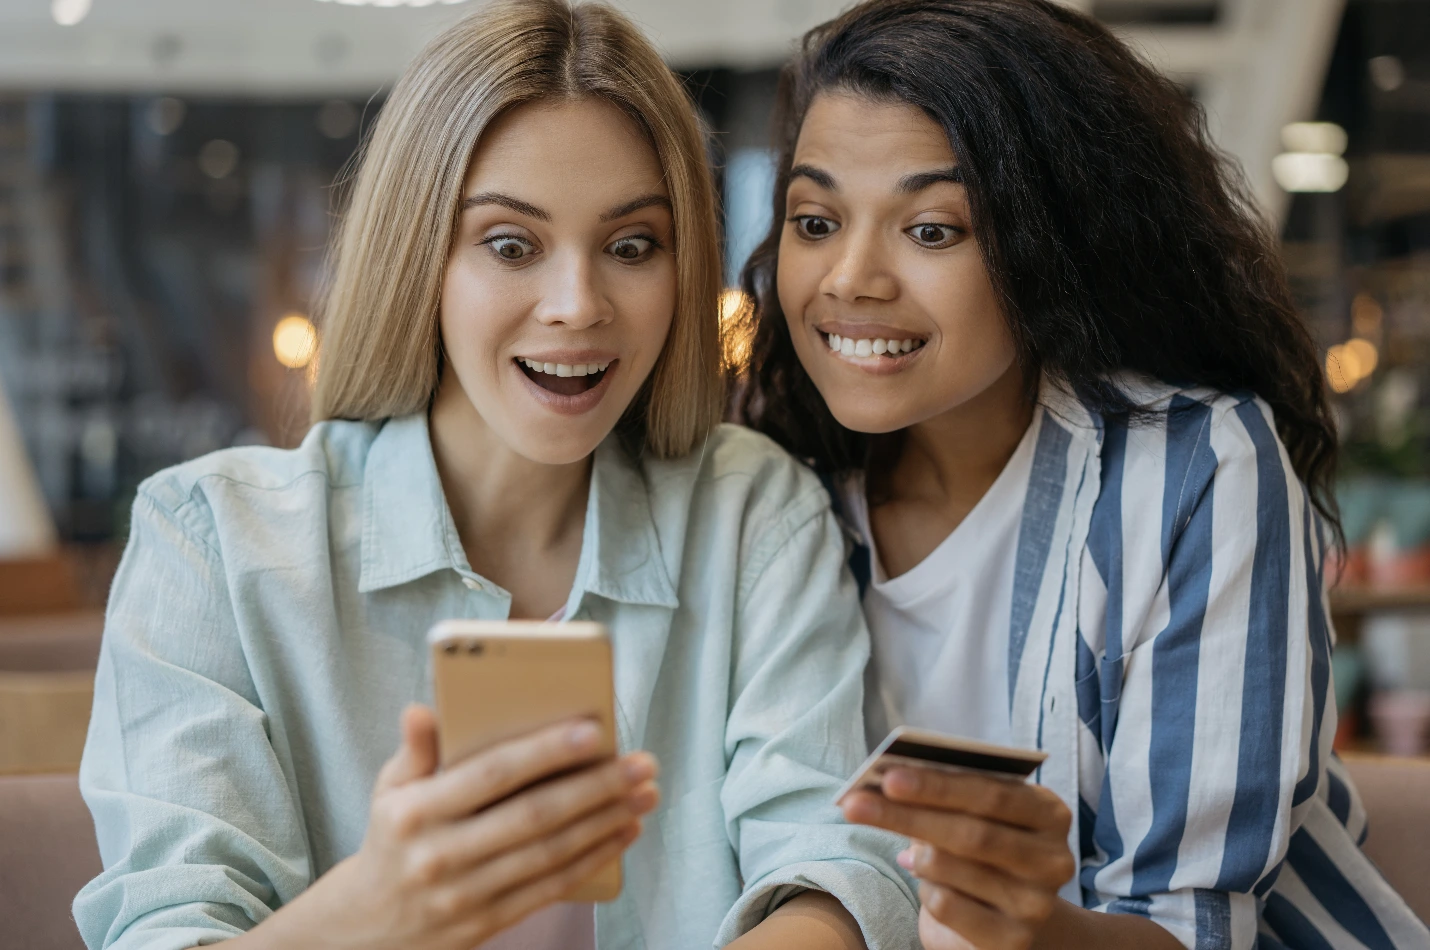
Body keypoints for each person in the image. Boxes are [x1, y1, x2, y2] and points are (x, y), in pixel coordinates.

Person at [72, 3, 921, 949]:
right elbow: (168, 929)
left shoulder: (751, 513)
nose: (577, 305)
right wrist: (376, 908)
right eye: (510, 246)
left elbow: (831, 872)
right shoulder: (213, 543)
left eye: (632, 245)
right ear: (419, 259)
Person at [736, 1, 1430, 948]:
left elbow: (1193, 930)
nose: (850, 277)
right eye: (815, 220)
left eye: (933, 230)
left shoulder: (1193, 470)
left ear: (1048, 243)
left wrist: (1036, 927)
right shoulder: (772, 493)